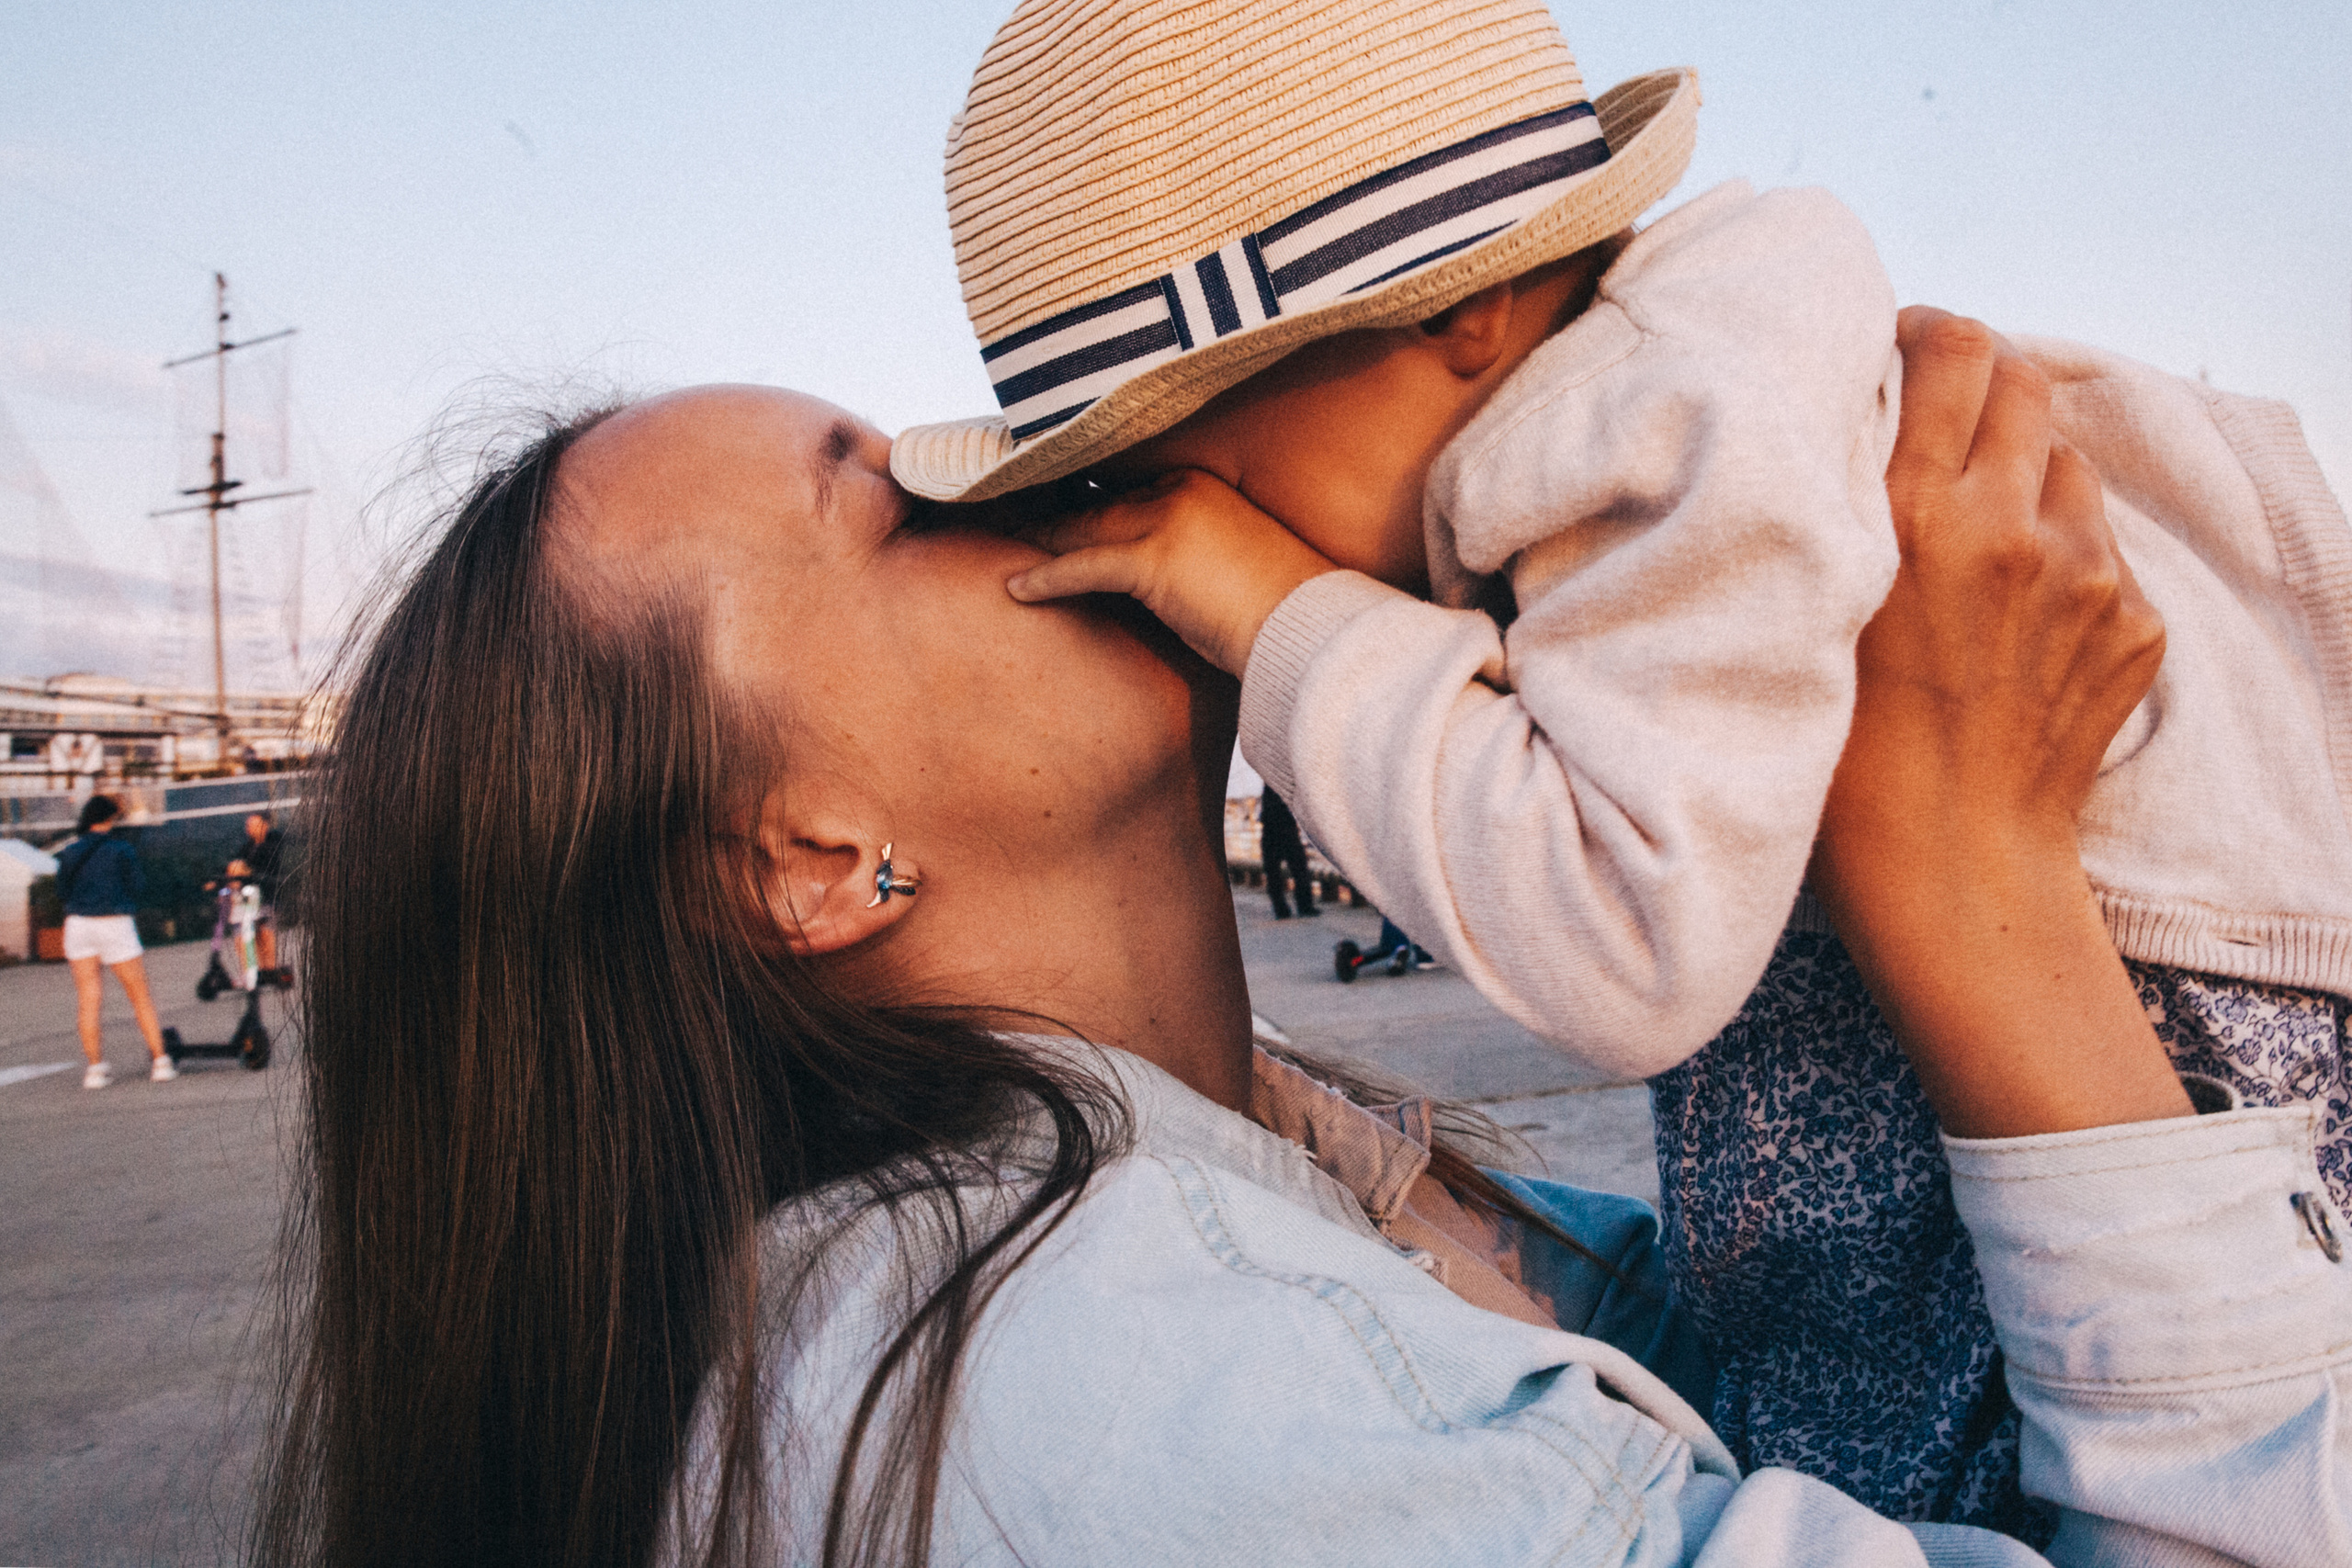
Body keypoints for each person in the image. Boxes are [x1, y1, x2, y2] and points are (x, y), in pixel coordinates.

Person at [252, 337, 2352, 1568]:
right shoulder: (1101, 1380)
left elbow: (1781, 1393)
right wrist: (1969, 875)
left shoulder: (1234, 1215)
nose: (1024, 469)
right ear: (805, 851)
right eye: (885, 502)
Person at [909, 0, 2352, 1527]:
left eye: (1198, 476)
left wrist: (1286, 617)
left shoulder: (1652, 421)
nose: (1192, 542)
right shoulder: (1658, 403)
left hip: (2172, 1071)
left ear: (1459, 311)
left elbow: (1627, 942)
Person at [54, 794, 175, 1088]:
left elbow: (61, 891)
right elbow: (137, 885)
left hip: (79, 924)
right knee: (139, 996)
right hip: (114, 922)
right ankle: (160, 1061)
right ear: (110, 819)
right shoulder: (121, 849)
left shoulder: (70, 852)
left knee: (89, 999)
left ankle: (95, 1069)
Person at [226, 810, 290, 983]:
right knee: (245, 933)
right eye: (248, 825)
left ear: (264, 825)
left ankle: (269, 970)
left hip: (267, 896)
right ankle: (253, 971)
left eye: (254, 824)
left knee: (265, 932)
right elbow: (235, 864)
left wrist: (247, 872)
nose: (250, 828)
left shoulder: (272, 845)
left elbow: (267, 870)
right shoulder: (247, 847)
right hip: (250, 899)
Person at [1255, 784, 1317, 919]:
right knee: (1299, 869)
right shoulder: (1283, 781)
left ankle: (1281, 909)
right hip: (1286, 829)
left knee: (1274, 873)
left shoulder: (1269, 782)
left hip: (1271, 831)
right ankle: (1304, 906)